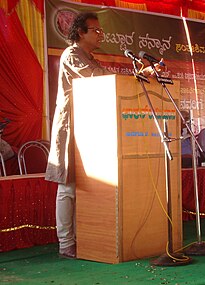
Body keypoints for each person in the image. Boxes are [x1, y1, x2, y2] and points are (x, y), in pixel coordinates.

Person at [45, 12, 161, 259]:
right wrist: (137, 75)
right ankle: (66, 244)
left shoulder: (89, 57)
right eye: (95, 31)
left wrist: (140, 76)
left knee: (86, 188)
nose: (100, 35)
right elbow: (100, 80)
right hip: (71, 126)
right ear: (80, 32)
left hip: (91, 129)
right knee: (67, 188)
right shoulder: (72, 55)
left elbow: (111, 87)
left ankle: (88, 239)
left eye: (101, 31)